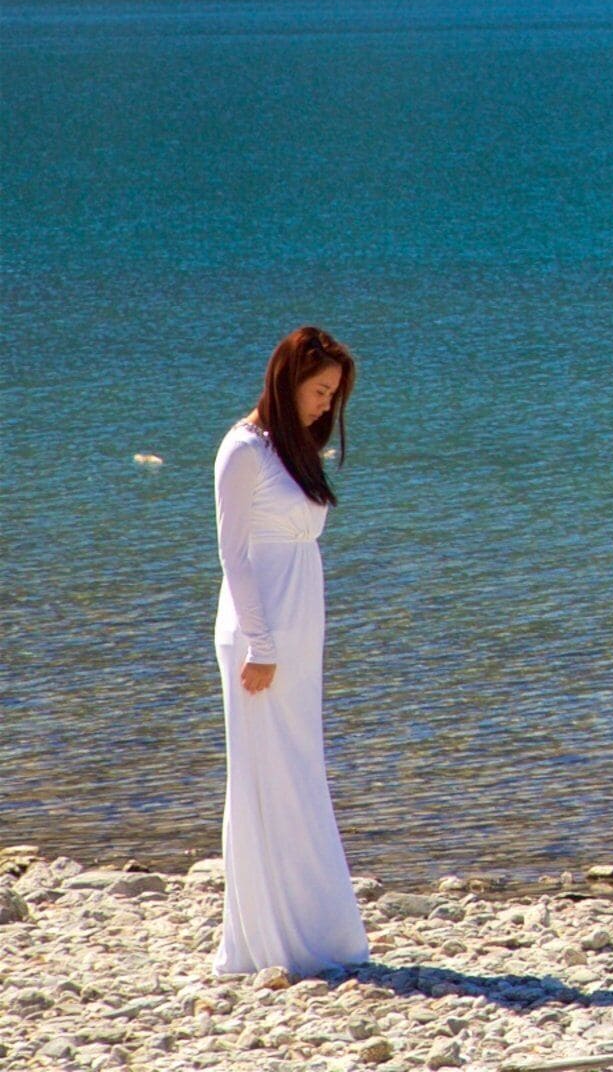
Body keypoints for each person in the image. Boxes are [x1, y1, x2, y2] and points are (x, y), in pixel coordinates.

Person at [212, 326, 370, 978]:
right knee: (263, 778)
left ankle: (315, 930)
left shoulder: (294, 449)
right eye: (319, 391)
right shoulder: (242, 449)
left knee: (299, 771)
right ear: (288, 379)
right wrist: (263, 643)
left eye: (333, 396)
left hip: (301, 627)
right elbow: (233, 554)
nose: (326, 406)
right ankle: (268, 943)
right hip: (261, 632)